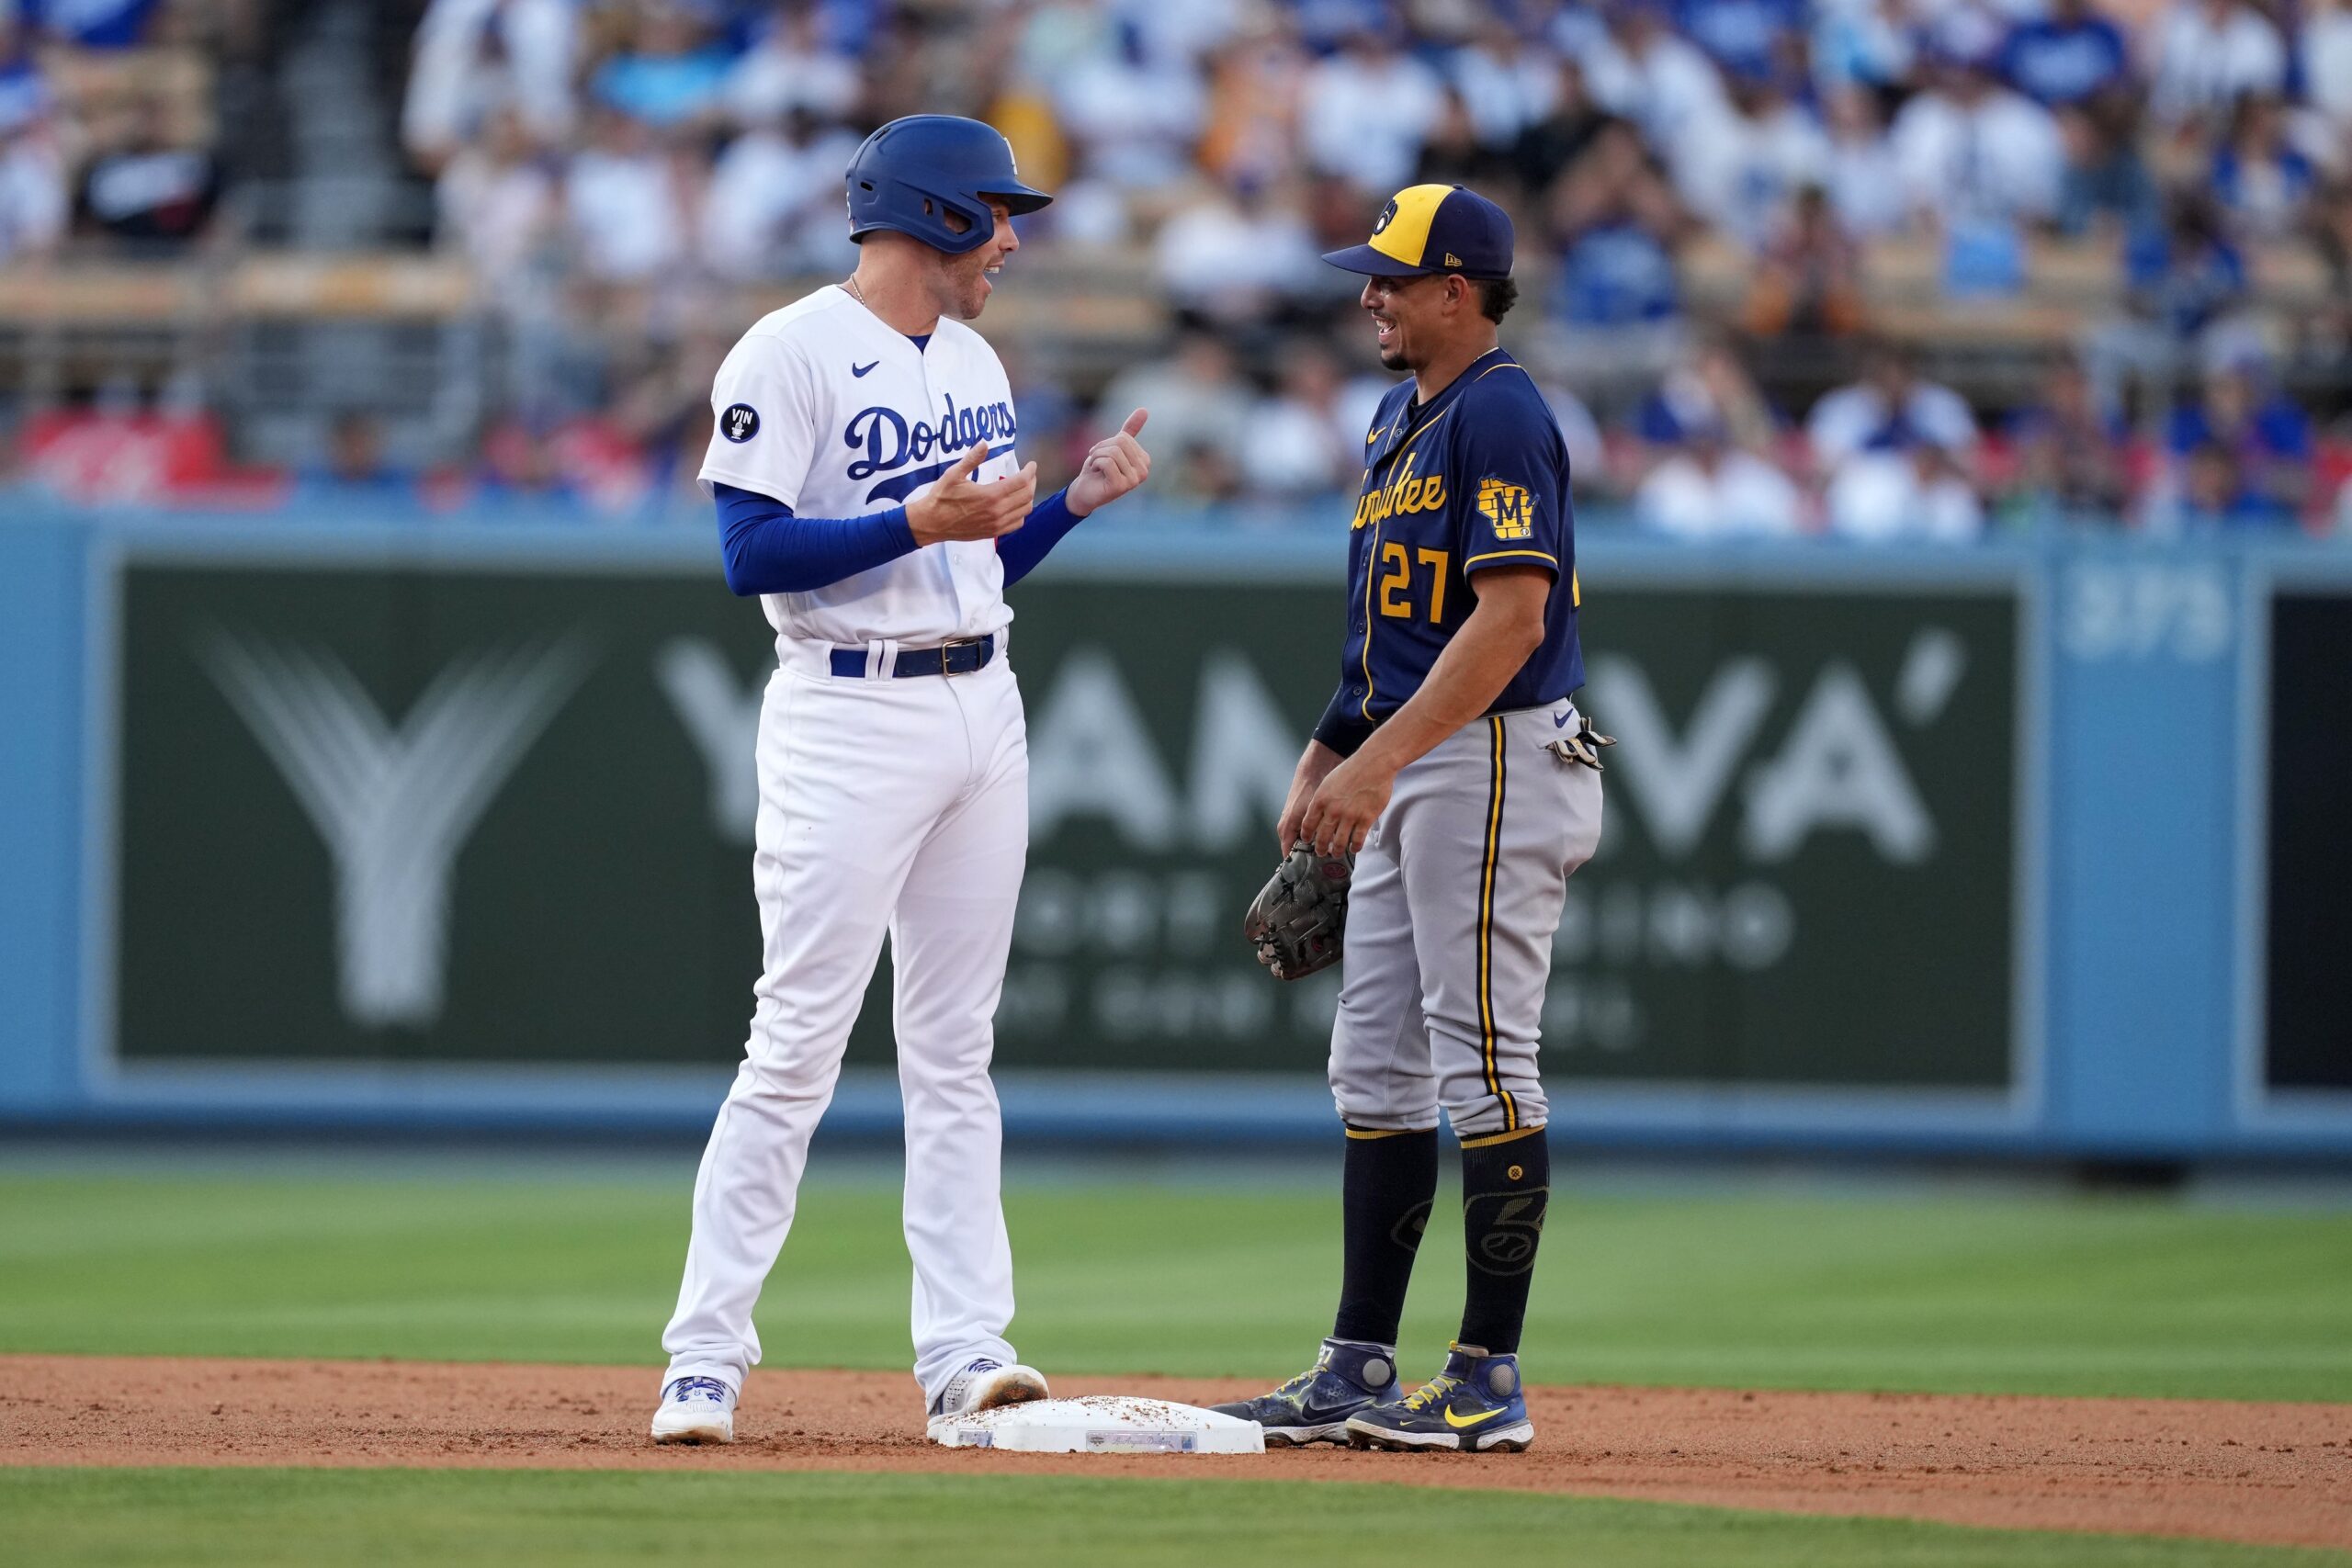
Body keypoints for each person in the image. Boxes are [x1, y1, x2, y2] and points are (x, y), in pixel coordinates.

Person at [649, 116, 1154, 1447]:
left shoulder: (975, 358)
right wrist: (914, 518)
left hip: (982, 701)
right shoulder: (789, 348)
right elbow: (749, 553)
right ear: (929, 213)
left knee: (956, 1051)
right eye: (995, 212)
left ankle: (964, 1354)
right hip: (846, 715)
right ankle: (703, 1360)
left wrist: (1071, 507)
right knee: (796, 1044)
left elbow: (969, 569)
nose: (1011, 238)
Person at [1215, 184, 1601, 1453]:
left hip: (1488, 753)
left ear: (1459, 290)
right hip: (1410, 749)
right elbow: (1382, 627)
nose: (1367, 294)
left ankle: (1489, 1377)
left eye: (1390, 275)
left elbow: (1509, 620)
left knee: (1482, 1058)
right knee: (1372, 1066)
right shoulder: (1399, 417)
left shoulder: (1499, 409)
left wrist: (1376, 765)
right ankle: (1357, 1371)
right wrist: (1329, 750)